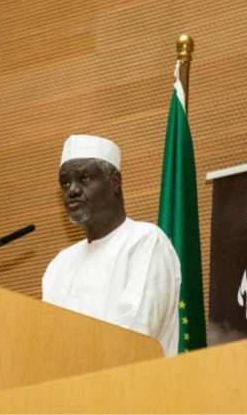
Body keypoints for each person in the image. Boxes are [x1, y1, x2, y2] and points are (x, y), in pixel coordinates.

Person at [42, 134, 181, 356]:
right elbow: (45, 342)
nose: (72, 190)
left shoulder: (145, 242)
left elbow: (135, 338)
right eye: (65, 182)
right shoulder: (59, 265)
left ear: (115, 182)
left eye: (85, 178)